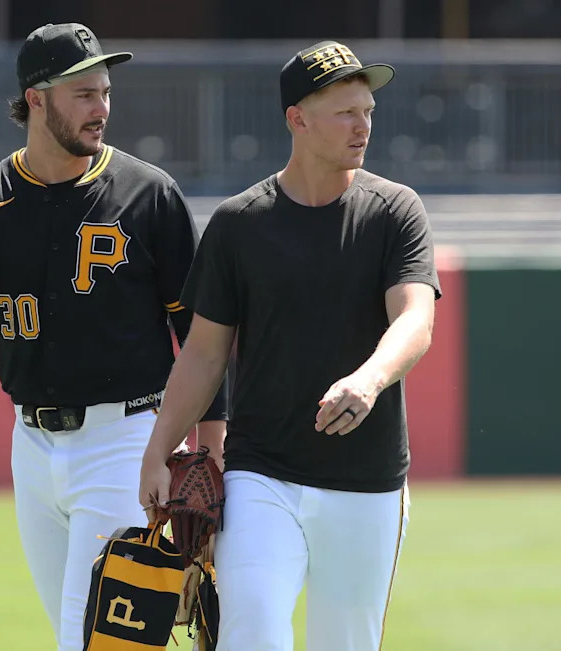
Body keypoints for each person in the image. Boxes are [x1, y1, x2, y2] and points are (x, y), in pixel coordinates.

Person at [0, 23, 227, 651]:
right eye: (84, 94)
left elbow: (199, 335)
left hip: (127, 441)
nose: (102, 108)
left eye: (105, 92)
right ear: (35, 100)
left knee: (92, 642)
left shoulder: (148, 195)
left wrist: (213, 445)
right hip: (32, 448)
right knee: (82, 637)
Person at [139, 40, 441, 651]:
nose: (363, 126)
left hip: (367, 478)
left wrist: (369, 378)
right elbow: (203, 354)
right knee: (250, 628)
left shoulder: (395, 211)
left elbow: (415, 318)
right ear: (297, 119)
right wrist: (158, 450)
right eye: (345, 112)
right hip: (262, 472)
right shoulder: (239, 223)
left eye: (368, 111)